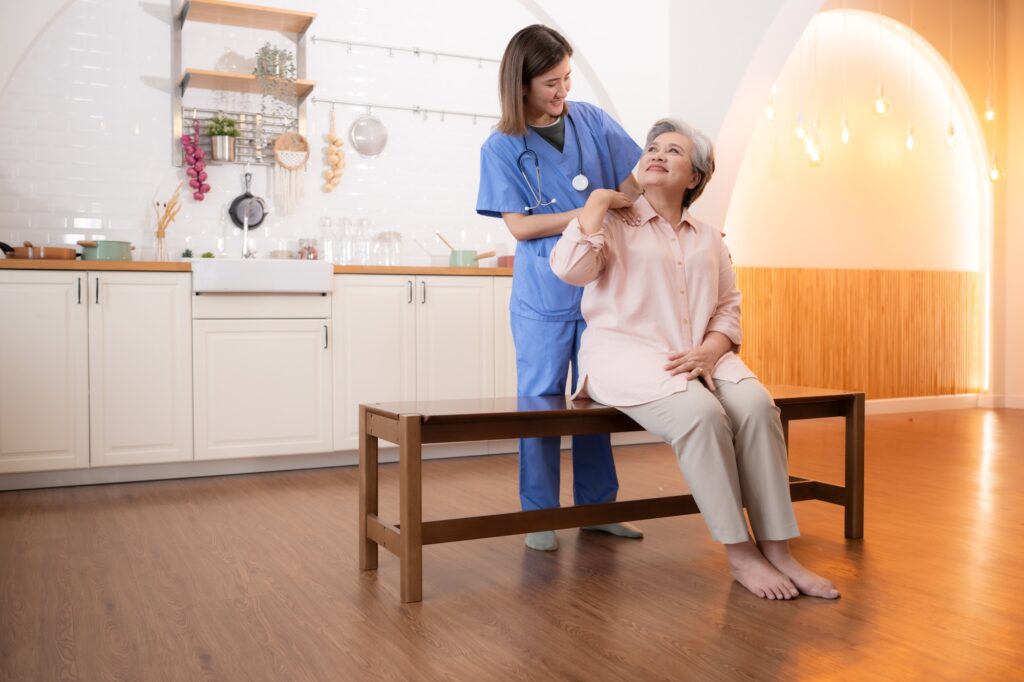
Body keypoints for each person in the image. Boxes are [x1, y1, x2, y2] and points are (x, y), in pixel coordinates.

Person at [549, 118, 840, 600]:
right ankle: (740, 553)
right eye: (653, 148)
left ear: (696, 177)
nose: (657, 154)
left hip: (704, 354)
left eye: (674, 151)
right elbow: (571, 271)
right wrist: (596, 203)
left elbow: (728, 306)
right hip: (628, 357)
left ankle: (779, 550)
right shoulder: (613, 224)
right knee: (702, 415)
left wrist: (712, 348)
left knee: (758, 407)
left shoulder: (708, 237)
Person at [476, 24, 643, 551]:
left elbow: (635, 177)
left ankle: (598, 508)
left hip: (600, 287)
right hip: (543, 296)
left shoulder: (590, 120)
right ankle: (539, 516)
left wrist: (626, 204)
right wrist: (589, 209)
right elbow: (520, 226)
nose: (563, 90)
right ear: (521, 84)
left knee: (594, 399)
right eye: (551, 82)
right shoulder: (501, 146)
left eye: (567, 77)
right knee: (542, 405)